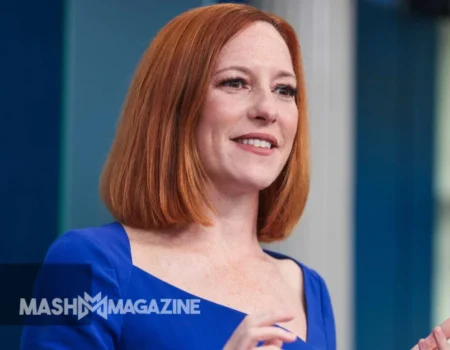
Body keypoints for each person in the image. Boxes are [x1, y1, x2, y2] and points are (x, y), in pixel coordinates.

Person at [18, 2, 448, 350]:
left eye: (285, 90)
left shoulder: (307, 288)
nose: (267, 109)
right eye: (236, 82)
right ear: (174, 107)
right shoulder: (82, 262)